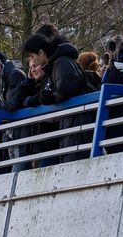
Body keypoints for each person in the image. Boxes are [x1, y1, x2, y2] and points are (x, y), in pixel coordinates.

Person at [22, 32, 89, 163]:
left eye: (32, 56)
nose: (32, 61)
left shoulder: (61, 62)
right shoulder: (55, 65)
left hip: (77, 124)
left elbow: (65, 89)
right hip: (70, 124)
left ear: (41, 53)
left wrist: (50, 97)